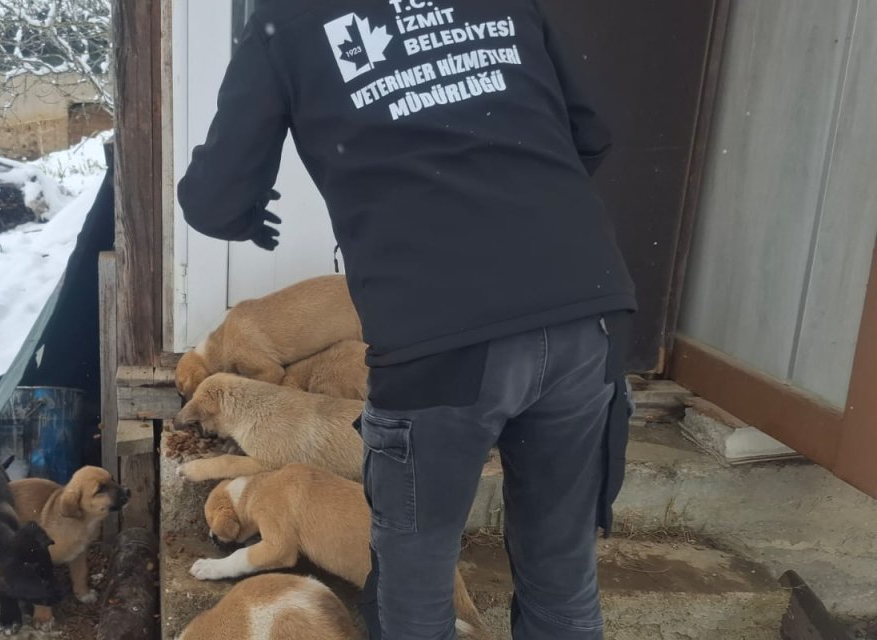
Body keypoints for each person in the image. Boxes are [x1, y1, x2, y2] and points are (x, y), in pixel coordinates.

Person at [176, 0, 637, 638]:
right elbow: (591, 135)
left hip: (437, 337)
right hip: (585, 311)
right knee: (562, 575)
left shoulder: (291, 18)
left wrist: (248, 214)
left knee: (416, 591)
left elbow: (216, 201)